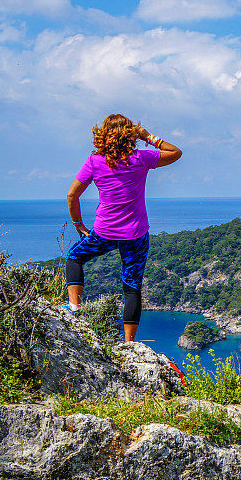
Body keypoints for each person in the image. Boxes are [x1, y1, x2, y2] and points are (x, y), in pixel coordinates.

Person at [64, 113, 182, 342]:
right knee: (131, 285)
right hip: (136, 234)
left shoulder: (94, 162)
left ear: (101, 136)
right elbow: (175, 153)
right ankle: (129, 343)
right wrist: (148, 136)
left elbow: (72, 195)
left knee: (74, 257)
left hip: (104, 232)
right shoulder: (141, 158)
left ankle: (74, 307)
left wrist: (78, 224)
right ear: (131, 134)